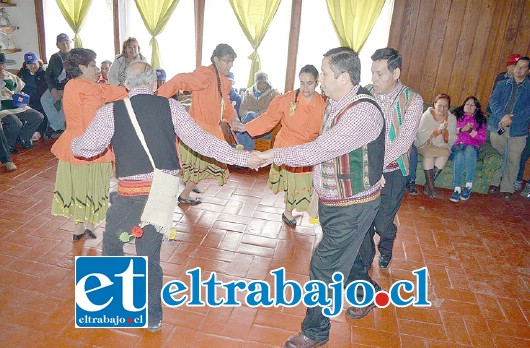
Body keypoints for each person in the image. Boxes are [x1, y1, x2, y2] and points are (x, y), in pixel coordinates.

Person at [71, 61, 261, 332]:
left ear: (125, 85)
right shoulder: (171, 107)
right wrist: (241, 157)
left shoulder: (111, 111)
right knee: (149, 255)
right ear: (155, 84)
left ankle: (108, 307)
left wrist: (75, 140)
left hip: (130, 192)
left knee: (113, 245)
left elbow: (86, 149)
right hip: (163, 189)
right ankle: (153, 317)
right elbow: (202, 141)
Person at [259, 47, 385, 348]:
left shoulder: (361, 113)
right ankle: (365, 293)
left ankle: (315, 332)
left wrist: (269, 155)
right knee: (351, 253)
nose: (320, 79)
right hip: (337, 200)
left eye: (325, 73)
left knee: (324, 265)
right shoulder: (337, 102)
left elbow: (320, 149)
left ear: (343, 77)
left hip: (353, 205)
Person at [353, 47, 423, 272]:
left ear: (396, 73)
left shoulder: (413, 100)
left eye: (379, 73)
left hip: (393, 170)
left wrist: (378, 166)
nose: (373, 79)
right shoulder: (365, 93)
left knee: (382, 222)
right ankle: (365, 262)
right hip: (366, 168)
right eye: (372, 72)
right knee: (363, 220)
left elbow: (403, 142)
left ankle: (386, 245)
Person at [232, 65, 326, 226]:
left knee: (306, 184)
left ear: (317, 82)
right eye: (302, 83)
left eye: (309, 83)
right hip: (287, 146)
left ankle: (305, 211)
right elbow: (269, 118)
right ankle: (287, 212)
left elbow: (325, 128)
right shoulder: (287, 99)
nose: (305, 88)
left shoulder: (324, 103)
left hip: (309, 150)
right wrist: (246, 127)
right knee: (292, 182)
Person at [50, 48, 128, 241]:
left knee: (79, 185)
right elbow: (92, 120)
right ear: (81, 67)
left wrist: (128, 89)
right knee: (93, 184)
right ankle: (90, 224)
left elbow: (106, 91)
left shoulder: (71, 85)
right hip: (91, 145)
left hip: (73, 143)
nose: (97, 69)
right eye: (93, 65)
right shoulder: (90, 89)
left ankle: (79, 227)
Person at [157, 43, 238, 205]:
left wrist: (233, 119)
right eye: (226, 61)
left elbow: (226, 103)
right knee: (203, 164)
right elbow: (181, 79)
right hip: (199, 128)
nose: (230, 65)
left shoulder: (223, 79)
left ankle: (189, 186)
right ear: (216, 59)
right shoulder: (206, 74)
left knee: (200, 163)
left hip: (210, 127)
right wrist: (158, 97)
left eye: (232, 62)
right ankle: (185, 194)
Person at [487, 56, 530, 200]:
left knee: (513, 159)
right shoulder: (502, 84)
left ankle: (507, 188)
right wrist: (503, 116)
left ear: (528, 71)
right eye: (518, 65)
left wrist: (512, 118)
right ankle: (493, 183)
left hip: (518, 130)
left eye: (523, 67)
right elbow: (493, 102)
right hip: (498, 126)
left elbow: (528, 110)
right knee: (498, 155)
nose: (519, 69)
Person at [415, 93, 457, 198]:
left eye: (445, 106)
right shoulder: (427, 115)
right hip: (425, 144)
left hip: (441, 145)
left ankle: (428, 185)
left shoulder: (451, 118)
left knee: (445, 153)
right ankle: (432, 188)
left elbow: (453, 138)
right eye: (439, 105)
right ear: (434, 104)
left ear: (449, 107)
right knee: (429, 154)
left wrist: (445, 131)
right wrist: (437, 130)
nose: (442, 109)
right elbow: (420, 134)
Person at [0, 53, 44, 153]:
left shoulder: (10, 76)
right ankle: (8, 146)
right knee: (16, 123)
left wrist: (21, 96)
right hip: (2, 107)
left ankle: (23, 138)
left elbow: (18, 89)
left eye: (3, 64)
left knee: (38, 116)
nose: (1, 66)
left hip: (15, 105)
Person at [449, 97, 487, 202]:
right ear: (463, 105)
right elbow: (447, 132)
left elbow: (482, 138)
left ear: (476, 108)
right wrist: (461, 129)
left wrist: (470, 131)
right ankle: (457, 189)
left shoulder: (480, 120)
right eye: (467, 104)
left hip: (471, 147)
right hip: (456, 146)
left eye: (472, 105)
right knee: (459, 154)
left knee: (470, 149)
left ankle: (468, 186)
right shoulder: (454, 116)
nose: (469, 106)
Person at [235, 71, 281, 150]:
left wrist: (255, 114)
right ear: (256, 83)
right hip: (248, 123)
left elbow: (270, 111)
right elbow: (241, 111)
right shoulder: (248, 93)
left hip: (264, 125)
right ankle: (248, 150)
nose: (262, 85)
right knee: (249, 116)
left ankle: (239, 145)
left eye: (264, 83)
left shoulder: (274, 94)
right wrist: (251, 114)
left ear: (268, 83)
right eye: (260, 83)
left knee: (250, 116)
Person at [41, 33, 71, 139]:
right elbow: (48, 75)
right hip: (57, 85)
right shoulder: (55, 57)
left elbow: (77, 76)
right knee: (44, 99)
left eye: (67, 42)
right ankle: (59, 126)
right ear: (57, 45)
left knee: (66, 103)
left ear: (71, 43)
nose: (65, 45)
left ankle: (54, 127)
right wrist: (53, 89)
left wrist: (66, 91)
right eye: (62, 43)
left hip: (70, 87)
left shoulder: (76, 56)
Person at [17, 52, 48, 139]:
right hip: (24, 97)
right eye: (29, 64)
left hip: (38, 98)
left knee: (38, 108)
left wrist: (28, 98)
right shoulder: (22, 73)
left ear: (38, 63)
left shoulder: (43, 74)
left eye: (34, 63)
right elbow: (18, 86)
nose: (33, 66)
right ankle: (24, 131)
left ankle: (38, 130)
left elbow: (42, 90)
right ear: (26, 65)